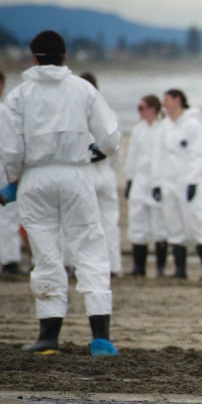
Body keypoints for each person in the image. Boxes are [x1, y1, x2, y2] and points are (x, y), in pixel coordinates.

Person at [0, 30, 121, 356]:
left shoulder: (18, 96)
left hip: (34, 177)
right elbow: (111, 136)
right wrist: (97, 150)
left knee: (46, 255)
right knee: (90, 249)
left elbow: (10, 149)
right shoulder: (83, 89)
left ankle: (48, 337)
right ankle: (100, 338)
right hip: (75, 173)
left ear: (33, 57)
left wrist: (13, 181)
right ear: (65, 57)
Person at [66, 72, 122, 276]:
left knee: (78, 222)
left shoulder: (72, 113)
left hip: (85, 171)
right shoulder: (108, 112)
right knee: (109, 222)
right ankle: (112, 266)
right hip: (104, 171)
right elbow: (116, 146)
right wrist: (111, 169)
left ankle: (74, 265)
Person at [155, 89, 202, 281]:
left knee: (194, 224)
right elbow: (159, 157)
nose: (164, 105)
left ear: (178, 100)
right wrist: (157, 183)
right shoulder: (164, 126)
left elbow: (198, 155)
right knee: (173, 226)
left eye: (167, 101)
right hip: (168, 182)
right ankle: (180, 270)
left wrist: (192, 181)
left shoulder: (192, 125)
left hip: (187, 182)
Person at [125, 94, 169, 277]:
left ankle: (160, 268)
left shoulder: (164, 129)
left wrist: (161, 182)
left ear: (152, 108)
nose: (139, 112)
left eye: (142, 107)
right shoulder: (138, 130)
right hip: (140, 180)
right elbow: (133, 156)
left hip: (158, 180)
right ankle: (139, 267)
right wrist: (129, 179)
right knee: (137, 222)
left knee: (159, 224)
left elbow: (165, 157)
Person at [0, 70, 24, 277]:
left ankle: (8, 259)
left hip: (4, 167)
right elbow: (11, 148)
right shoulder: (5, 112)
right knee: (8, 216)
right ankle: (8, 260)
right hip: (4, 168)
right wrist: (14, 176)